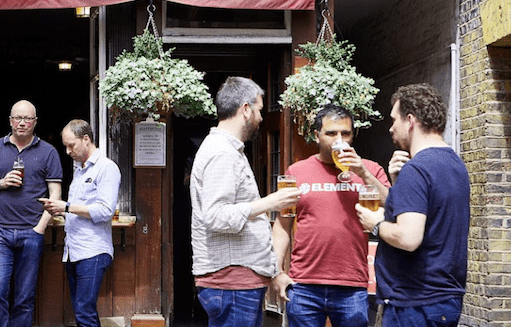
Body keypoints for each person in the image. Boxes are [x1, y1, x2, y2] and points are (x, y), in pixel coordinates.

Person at [190, 76, 302, 327]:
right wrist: (270, 202)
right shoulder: (222, 152)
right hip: (232, 282)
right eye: (260, 110)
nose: (261, 118)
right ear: (246, 109)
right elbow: (216, 216)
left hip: (235, 279)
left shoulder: (227, 149)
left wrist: (273, 271)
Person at [357, 83, 470, 327]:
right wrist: (395, 183)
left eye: (394, 120)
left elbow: (408, 237)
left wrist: (375, 223)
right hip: (443, 300)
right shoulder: (454, 164)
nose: (390, 128)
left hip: (415, 303)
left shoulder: (417, 169)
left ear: (410, 120)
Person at [272, 104, 391, 327]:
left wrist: (362, 172)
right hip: (304, 284)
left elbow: (393, 205)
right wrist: (277, 272)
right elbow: (282, 225)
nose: (339, 140)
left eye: (345, 133)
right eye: (331, 133)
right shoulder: (297, 172)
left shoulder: (371, 169)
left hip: (352, 285)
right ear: (317, 136)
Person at [0, 100, 64, 327]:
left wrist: (40, 227)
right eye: (17, 118)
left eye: (27, 118)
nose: (22, 123)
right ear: (9, 120)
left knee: (25, 296)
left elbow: (55, 194)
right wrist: (0, 183)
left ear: (35, 122)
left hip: (31, 231)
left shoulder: (48, 152)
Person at [40, 119, 121, 327]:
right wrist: (58, 210)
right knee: (82, 311)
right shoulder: (79, 170)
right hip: (73, 250)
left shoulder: (106, 168)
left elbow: (105, 211)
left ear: (86, 139)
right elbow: (78, 210)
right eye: (65, 146)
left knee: (84, 311)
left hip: (92, 251)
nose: (67, 151)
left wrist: (66, 207)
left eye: (71, 145)